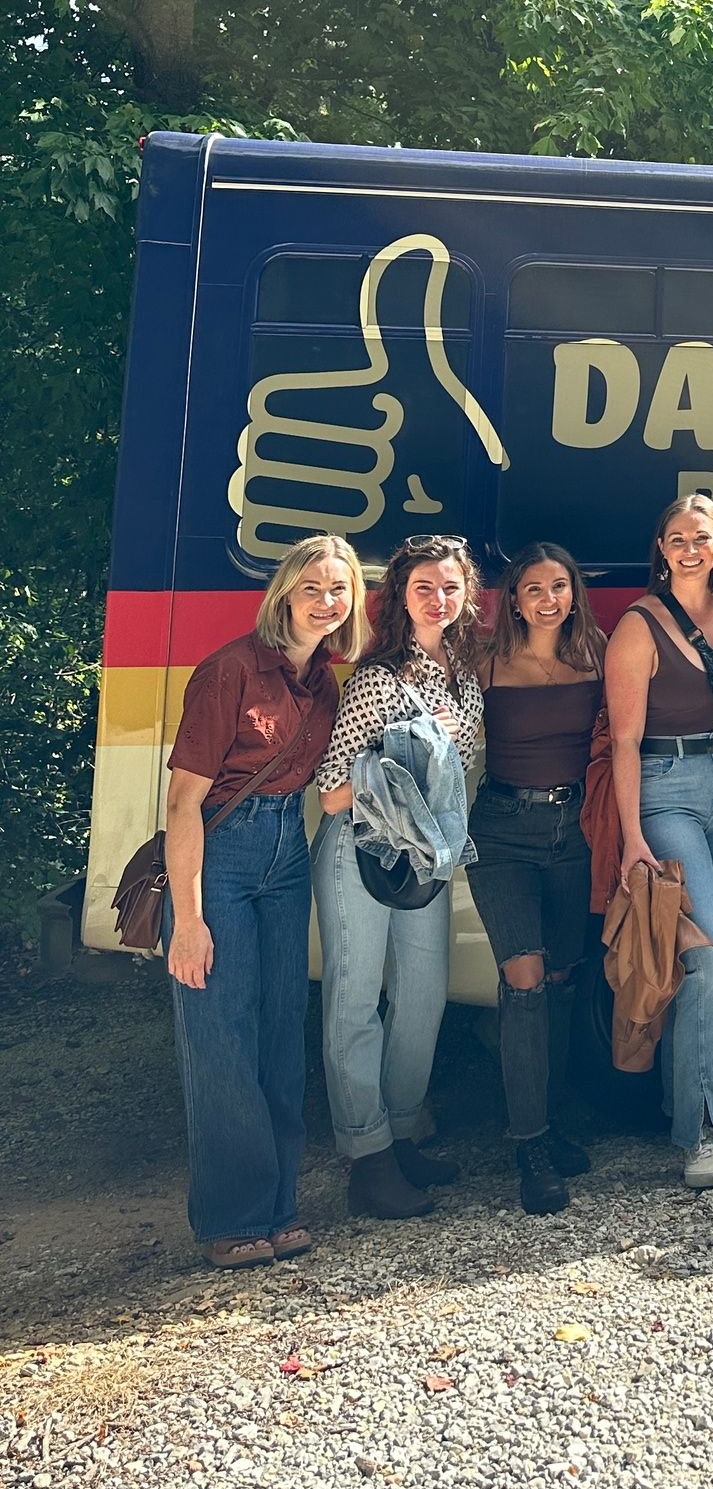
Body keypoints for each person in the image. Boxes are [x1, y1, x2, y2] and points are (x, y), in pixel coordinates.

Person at [163, 534, 368, 1266]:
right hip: (220, 857)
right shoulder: (229, 672)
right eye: (312, 587)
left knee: (283, 1032)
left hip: (287, 854)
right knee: (224, 1036)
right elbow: (183, 805)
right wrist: (189, 920)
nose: (325, 600)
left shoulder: (326, 685)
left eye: (338, 589)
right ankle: (232, 1217)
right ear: (284, 593)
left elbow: (330, 786)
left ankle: (279, 1206)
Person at [312, 531, 487, 1218]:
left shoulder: (467, 675)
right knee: (354, 999)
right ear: (401, 599)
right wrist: (403, 758)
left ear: (467, 594)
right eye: (424, 588)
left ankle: (403, 1131)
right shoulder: (377, 680)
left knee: (425, 996)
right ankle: (367, 1158)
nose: (438, 599)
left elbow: (467, 762)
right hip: (362, 849)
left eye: (450, 587)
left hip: (425, 857)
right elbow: (331, 790)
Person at [605, 494, 713, 1190]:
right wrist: (633, 834)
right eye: (676, 539)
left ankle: (687, 1103)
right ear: (660, 550)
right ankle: (700, 1136)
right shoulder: (638, 627)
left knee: (695, 961)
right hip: (667, 790)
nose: (690, 548)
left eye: (702, 537)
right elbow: (626, 741)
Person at [470, 542, 605, 1215]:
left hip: (576, 828)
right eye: (534, 588)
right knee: (523, 978)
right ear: (513, 601)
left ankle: (551, 1116)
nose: (549, 599)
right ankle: (529, 1146)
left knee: (562, 978)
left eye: (560, 585)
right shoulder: (487, 663)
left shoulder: (596, 655)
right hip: (501, 832)